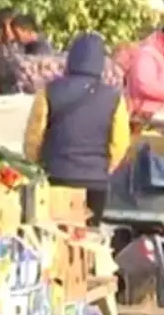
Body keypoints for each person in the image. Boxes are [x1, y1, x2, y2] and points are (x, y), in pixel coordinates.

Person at [23, 32, 131, 225]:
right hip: (95, 182)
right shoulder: (114, 98)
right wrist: (104, 168)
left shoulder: (48, 91)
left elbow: (34, 136)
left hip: (56, 176)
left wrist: (39, 164)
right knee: (88, 234)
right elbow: (120, 142)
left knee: (54, 232)